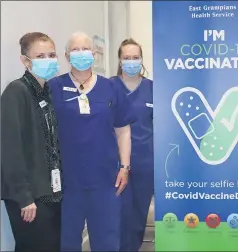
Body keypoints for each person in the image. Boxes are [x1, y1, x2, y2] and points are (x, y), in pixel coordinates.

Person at [48, 31, 136, 251]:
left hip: (105, 179)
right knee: (67, 240)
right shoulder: (53, 88)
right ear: (67, 56)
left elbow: (123, 129)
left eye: (85, 48)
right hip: (67, 182)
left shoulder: (111, 87)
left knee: (106, 239)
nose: (81, 53)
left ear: (94, 53)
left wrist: (125, 167)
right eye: (75, 50)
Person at [1, 32, 62, 251]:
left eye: (52, 54)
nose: (48, 59)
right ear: (25, 61)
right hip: (29, 196)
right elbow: (10, 149)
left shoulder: (48, 92)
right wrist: (25, 197)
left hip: (50, 191)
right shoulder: (16, 92)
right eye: (41, 55)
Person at [110, 38, 153, 252]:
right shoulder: (108, 86)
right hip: (115, 163)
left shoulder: (152, 88)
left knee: (138, 214)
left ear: (142, 59)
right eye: (127, 58)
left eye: (135, 57)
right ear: (119, 60)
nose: (131, 61)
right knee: (117, 213)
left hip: (146, 162)